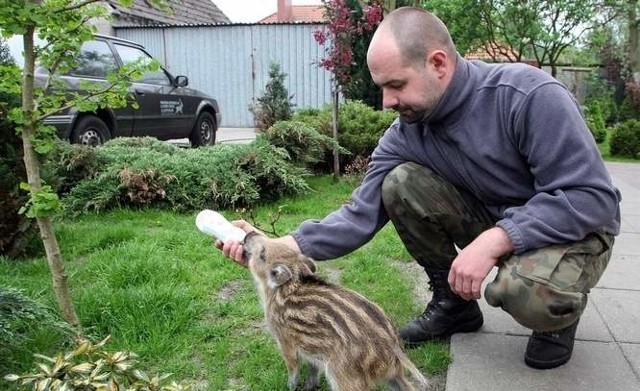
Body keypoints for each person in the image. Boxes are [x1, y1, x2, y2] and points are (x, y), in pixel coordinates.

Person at [220, 7, 621, 370]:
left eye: (395, 85)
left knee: (525, 292)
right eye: (381, 87)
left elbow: (592, 197)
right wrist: (272, 246)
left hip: (576, 230)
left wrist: (497, 239)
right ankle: (455, 306)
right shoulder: (408, 133)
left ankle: (558, 317)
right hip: (500, 219)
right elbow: (359, 214)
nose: (386, 102)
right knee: (400, 184)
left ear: (438, 63)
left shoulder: (526, 96)